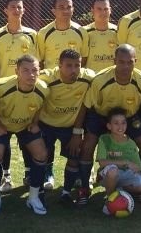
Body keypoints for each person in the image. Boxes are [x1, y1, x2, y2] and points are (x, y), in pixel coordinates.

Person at [73, 44, 141, 205]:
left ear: (136, 61)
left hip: (128, 117)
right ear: (114, 61)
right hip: (101, 115)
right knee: (88, 145)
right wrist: (77, 132)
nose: (126, 66)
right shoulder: (100, 79)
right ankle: (84, 188)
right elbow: (85, 105)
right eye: (121, 62)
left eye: (130, 62)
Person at [0, 55, 50, 217]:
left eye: (35, 70)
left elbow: (39, 108)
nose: (31, 75)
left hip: (24, 126)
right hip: (3, 125)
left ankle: (34, 197)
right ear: (17, 72)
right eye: (26, 71)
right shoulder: (1, 87)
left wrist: (35, 122)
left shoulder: (43, 89)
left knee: (41, 154)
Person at [38, 49, 95, 202]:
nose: (74, 70)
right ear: (59, 65)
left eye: (77, 66)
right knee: (40, 156)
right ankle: (38, 191)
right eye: (69, 66)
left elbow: (85, 105)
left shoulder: (88, 78)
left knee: (74, 157)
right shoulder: (46, 78)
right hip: (46, 124)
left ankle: (66, 192)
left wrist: (77, 132)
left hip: (70, 126)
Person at [97, 107, 141, 213]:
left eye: (123, 123)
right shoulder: (104, 139)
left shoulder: (131, 143)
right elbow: (102, 162)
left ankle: (119, 190)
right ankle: (110, 201)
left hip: (124, 176)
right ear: (109, 126)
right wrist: (125, 162)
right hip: (108, 175)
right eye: (116, 123)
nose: (120, 126)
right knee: (113, 171)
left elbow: (137, 169)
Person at [37, 0, 89, 70]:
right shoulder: (43, 33)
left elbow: (84, 58)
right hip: (51, 79)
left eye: (69, 7)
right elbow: (40, 60)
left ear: (73, 9)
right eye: (61, 7)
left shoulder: (82, 31)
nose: (66, 11)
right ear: (54, 11)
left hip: (73, 78)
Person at [84, 0, 118, 73]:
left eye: (106, 9)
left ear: (110, 10)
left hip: (111, 77)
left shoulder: (117, 31)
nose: (103, 12)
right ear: (92, 10)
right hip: (91, 77)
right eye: (99, 9)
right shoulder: (84, 32)